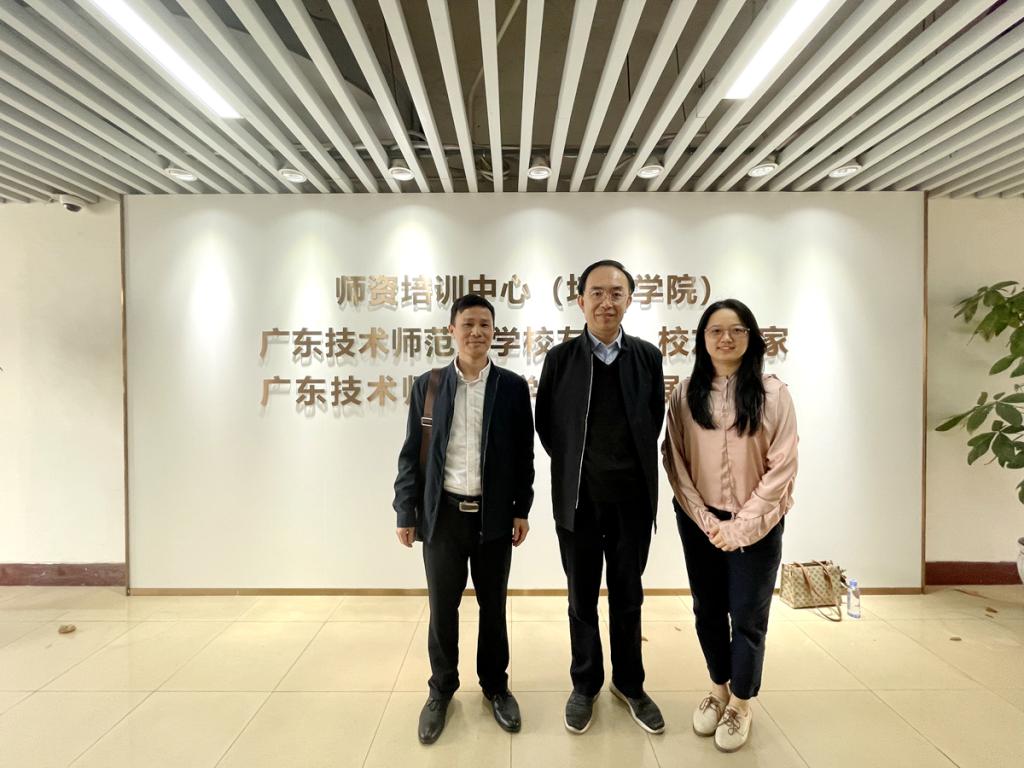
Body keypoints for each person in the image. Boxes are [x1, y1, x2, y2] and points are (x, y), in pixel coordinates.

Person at [392, 293, 535, 744]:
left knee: (493, 607)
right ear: (451, 330)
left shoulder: (512, 388)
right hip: (444, 517)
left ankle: (496, 686)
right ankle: (441, 689)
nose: (476, 332)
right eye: (468, 324)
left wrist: (522, 508)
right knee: (442, 609)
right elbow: (411, 455)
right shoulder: (430, 385)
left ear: (494, 332)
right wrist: (406, 510)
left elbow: (524, 456)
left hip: (493, 517)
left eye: (484, 325)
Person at [535, 259, 666, 735]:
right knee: (581, 597)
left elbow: (653, 421)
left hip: (632, 503)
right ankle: (585, 684)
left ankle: (630, 684)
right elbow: (548, 427)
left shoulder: (647, 357)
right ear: (580, 301)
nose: (606, 302)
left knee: (629, 596)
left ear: (629, 299)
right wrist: (579, 470)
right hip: (579, 504)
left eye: (616, 293)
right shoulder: (560, 360)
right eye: (597, 293)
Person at [662, 298, 798, 753]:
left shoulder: (773, 394)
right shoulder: (685, 395)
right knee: (707, 609)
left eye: (737, 330)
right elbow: (675, 460)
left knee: (748, 615)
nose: (726, 338)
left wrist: (740, 528)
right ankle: (718, 688)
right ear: (702, 339)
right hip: (699, 522)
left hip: (758, 525)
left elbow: (783, 467)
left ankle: (741, 701)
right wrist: (705, 520)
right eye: (716, 330)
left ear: (751, 338)